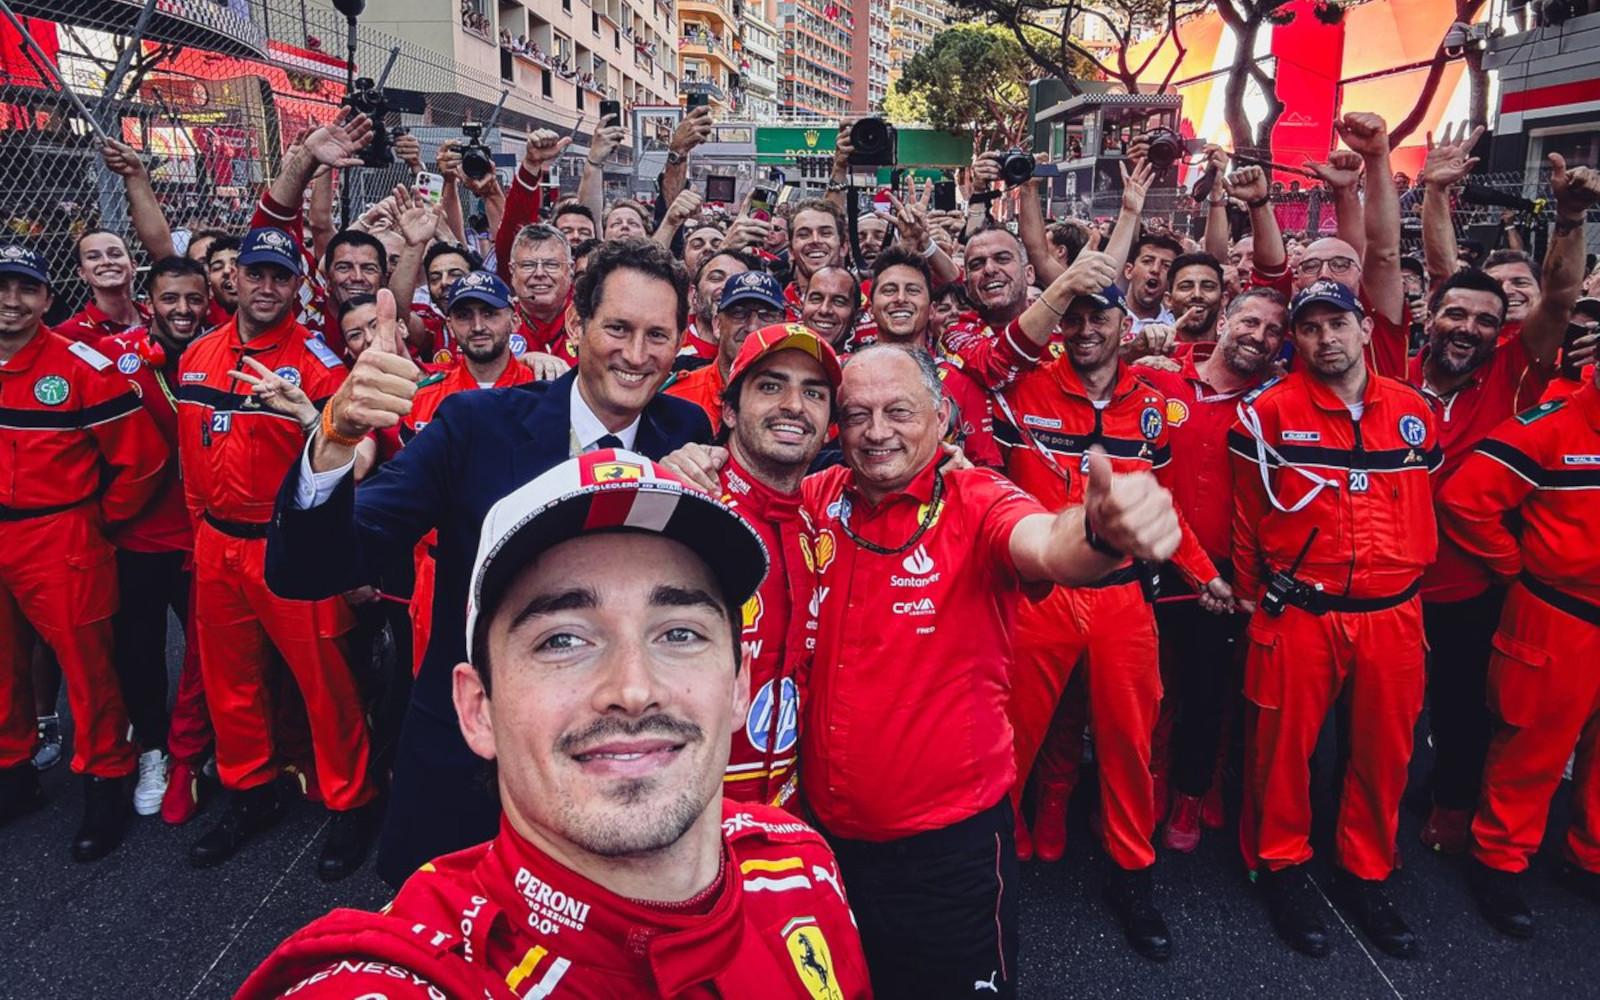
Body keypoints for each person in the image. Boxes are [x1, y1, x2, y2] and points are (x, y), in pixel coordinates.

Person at [239, 451, 871, 999]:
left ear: (739, 686)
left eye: (679, 633)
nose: (633, 690)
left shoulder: (799, 862)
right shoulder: (420, 969)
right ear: (477, 708)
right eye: (564, 640)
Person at [671, 342, 1184, 997]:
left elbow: (1047, 545)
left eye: (899, 412)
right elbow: (748, 481)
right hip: (824, 844)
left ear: (941, 418)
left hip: (948, 858)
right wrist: (691, 461)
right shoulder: (818, 498)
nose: (877, 431)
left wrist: (1102, 534)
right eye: (857, 415)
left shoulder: (976, 499)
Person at [266, 239, 714, 886]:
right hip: (470, 760)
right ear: (577, 325)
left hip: (615, 767)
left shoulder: (687, 431)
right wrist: (334, 435)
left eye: (658, 335)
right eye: (617, 328)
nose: (636, 355)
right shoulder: (475, 424)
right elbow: (315, 565)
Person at [995, 271, 1224, 961]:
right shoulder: (1022, 389)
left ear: (1128, 325)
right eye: (1077, 319)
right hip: (1040, 591)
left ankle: (1134, 874)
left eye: (1103, 319)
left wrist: (1207, 575)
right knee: (1009, 741)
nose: (1087, 330)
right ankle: (986, 873)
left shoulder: (1151, 405)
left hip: (1124, 595)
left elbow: (1166, 507)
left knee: (1129, 741)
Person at [1230, 279, 1441, 959]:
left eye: (1337, 324)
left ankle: (1366, 871)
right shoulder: (1265, 415)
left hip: (1392, 614)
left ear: (1363, 328)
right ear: (1296, 338)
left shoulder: (1414, 412)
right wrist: (1250, 601)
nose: (1326, 339)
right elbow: (1246, 522)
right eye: (1311, 328)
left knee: (1385, 754)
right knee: (1281, 751)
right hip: (1301, 611)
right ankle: (1281, 865)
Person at [175, 227, 380, 879]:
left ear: (298, 286)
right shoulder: (197, 357)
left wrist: (307, 417)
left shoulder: (320, 364)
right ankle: (249, 792)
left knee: (325, 683)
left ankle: (353, 801)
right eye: (255, 274)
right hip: (218, 545)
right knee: (230, 684)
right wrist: (200, 535)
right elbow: (190, 457)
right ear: (233, 280)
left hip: (289, 545)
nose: (266, 287)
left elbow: (351, 461)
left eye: (279, 276)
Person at [0, 244, 166, 859]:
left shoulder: (80, 365)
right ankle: (14, 774)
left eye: (25, 289)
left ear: (47, 299)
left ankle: (107, 780)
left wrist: (97, 521)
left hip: (60, 534)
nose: (12, 302)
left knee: (88, 669)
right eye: (2, 287)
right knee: (3, 667)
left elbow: (142, 460)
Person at [1437, 365, 1600, 938]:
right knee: (1532, 746)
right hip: (1558, 614)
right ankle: (1498, 862)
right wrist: (1515, 568)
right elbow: (1464, 498)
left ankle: (1588, 858)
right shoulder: (1548, 427)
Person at [1136, 288, 1289, 852]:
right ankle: (1149, 778)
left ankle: (1190, 794)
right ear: (1226, 318)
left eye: (1274, 330)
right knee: (1151, 688)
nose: (1258, 335)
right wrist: (1136, 355)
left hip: (1227, 575)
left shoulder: (1282, 396)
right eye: (1250, 319)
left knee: (1208, 690)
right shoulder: (1162, 374)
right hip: (1153, 555)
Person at [97, 256, 216, 825]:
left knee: (209, 655)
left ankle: (201, 751)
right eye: (171, 299)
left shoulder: (217, 355)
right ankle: (152, 750)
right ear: (150, 302)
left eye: (194, 299)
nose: (184, 310)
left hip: (202, 537)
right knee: (140, 652)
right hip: (139, 537)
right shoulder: (117, 361)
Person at [710, 324, 841, 806]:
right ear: (728, 409)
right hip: (685, 827)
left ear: (829, 423)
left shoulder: (818, 520)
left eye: (814, 392)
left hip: (786, 816)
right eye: (770, 385)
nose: (793, 405)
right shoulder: (687, 508)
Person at [399, 271, 536, 677]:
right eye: (464, 315)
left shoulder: (545, 389)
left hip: (521, 566)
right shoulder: (424, 398)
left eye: (489, 313)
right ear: (449, 323)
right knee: (436, 686)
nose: (478, 326)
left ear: (512, 317)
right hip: (438, 571)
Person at [666, 271, 787, 432]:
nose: (752, 327)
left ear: (783, 327)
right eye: (739, 313)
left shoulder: (795, 403)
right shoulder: (676, 398)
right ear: (717, 325)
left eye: (767, 316)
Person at [56, 229, 148, 342]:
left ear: (133, 266)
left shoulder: (159, 320)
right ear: (82, 273)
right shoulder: (67, 335)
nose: (106, 261)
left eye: (115, 254)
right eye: (93, 257)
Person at [681, 248, 760, 366]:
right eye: (716, 278)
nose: (726, 287)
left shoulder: (762, 349)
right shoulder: (671, 341)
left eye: (737, 281)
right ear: (693, 295)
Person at [798, 264, 862, 349]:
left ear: (857, 316)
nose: (824, 310)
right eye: (816, 299)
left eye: (839, 302)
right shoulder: (779, 359)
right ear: (802, 306)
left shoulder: (868, 361)